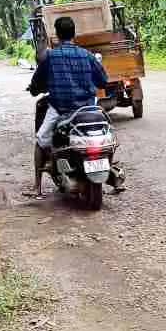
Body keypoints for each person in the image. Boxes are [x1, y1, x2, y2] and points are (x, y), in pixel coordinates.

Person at [28, 16, 110, 197]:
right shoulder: (87, 55)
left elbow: (36, 84)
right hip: (88, 108)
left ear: (56, 35)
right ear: (74, 33)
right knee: (105, 134)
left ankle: (37, 186)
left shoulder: (50, 56)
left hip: (61, 108)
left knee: (41, 140)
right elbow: (103, 81)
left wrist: (34, 89)